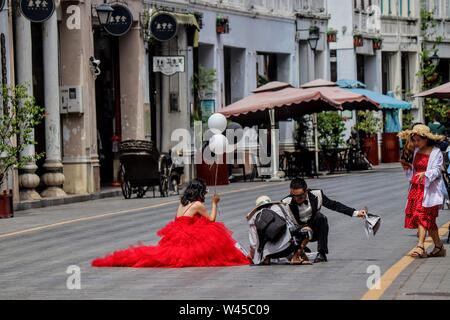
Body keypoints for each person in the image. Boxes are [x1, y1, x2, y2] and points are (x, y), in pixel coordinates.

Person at [92, 179, 250, 268]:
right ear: (200, 192)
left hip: (176, 232)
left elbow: (180, 220)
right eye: (205, 192)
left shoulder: (182, 203)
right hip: (187, 234)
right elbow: (212, 219)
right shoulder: (197, 205)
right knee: (214, 229)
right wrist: (215, 203)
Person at [281, 178, 367, 263]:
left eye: (300, 196)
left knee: (321, 217)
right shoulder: (285, 202)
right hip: (298, 234)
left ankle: (322, 253)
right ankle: (300, 249)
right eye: (294, 196)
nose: (297, 199)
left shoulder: (317, 194)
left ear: (306, 191)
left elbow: (334, 205)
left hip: (314, 231)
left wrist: (356, 213)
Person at [398, 124, 447, 258]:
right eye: (414, 140)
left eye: (418, 140)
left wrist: (425, 174)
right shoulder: (415, 151)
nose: (416, 143)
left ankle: (420, 246)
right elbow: (414, 169)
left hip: (429, 189)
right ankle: (439, 247)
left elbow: (438, 170)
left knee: (422, 216)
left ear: (426, 139)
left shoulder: (436, 152)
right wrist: (407, 168)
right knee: (428, 221)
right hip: (416, 188)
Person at [247, 196, 313, 265]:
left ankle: (266, 259)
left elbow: (254, 244)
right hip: (288, 248)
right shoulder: (281, 207)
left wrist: (252, 256)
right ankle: (296, 256)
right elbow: (292, 226)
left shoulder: (254, 217)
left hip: (269, 254)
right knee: (307, 230)